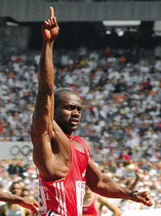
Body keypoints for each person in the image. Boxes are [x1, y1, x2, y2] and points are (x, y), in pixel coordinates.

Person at [30, 6, 153, 216]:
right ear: (53, 111)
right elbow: (45, 90)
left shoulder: (80, 145)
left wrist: (130, 194)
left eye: (78, 109)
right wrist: (48, 44)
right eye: (69, 108)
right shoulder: (46, 132)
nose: (76, 113)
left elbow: (100, 182)